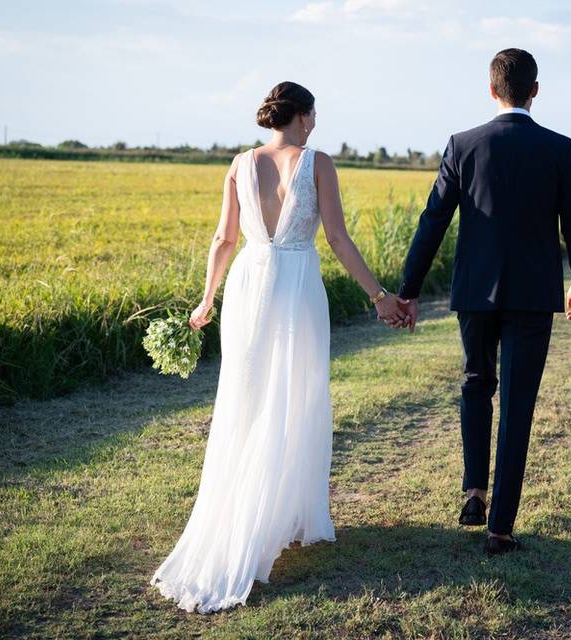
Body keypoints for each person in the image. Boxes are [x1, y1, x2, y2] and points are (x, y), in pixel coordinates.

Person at [149, 81, 406, 613]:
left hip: (248, 282)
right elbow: (335, 237)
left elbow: (223, 238)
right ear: (303, 116)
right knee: (294, 396)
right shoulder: (318, 163)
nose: (316, 123)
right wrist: (379, 295)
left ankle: (259, 510)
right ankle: (272, 515)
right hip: (295, 285)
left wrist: (206, 301)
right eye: (314, 115)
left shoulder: (240, 163)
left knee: (247, 397)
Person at [392, 48, 571, 555]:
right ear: (535, 91)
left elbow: (432, 220)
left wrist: (409, 290)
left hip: (474, 293)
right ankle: (500, 528)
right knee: (518, 406)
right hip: (532, 296)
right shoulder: (559, 148)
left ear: (491, 90)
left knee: (475, 385)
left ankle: (473, 490)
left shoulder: (463, 145)